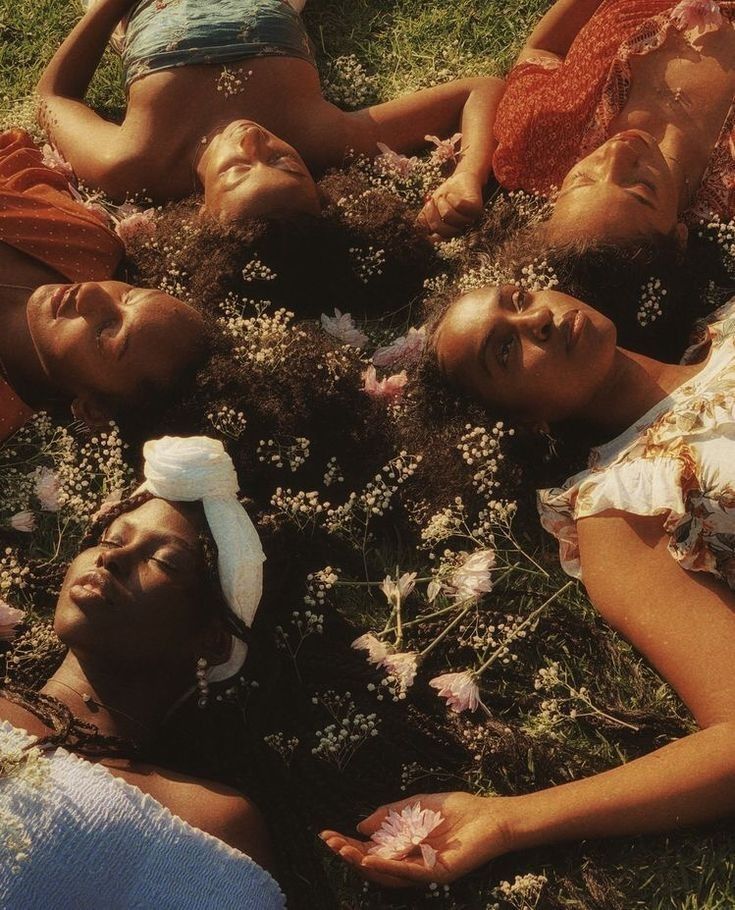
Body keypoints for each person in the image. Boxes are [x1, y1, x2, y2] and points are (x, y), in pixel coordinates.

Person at [320, 283, 735, 885]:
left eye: (520, 298)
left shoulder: (721, 320)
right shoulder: (623, 508)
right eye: (505, 352)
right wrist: (507, 821)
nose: (538, 319)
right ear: (521, 421)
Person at [0, 435, 285, 909]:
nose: (110, 556)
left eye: (165, 560)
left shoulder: (208, 826)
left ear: (212, 642)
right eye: (110, 537)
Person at [36, 0, 504, 232]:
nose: (255, 143)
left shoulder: (135, 163)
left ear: (204, 207)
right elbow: (479, 90)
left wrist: (111, 6)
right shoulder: (322, 137)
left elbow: (52, 98)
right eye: (284, 163)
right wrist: (468, 175)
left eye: (239, 169)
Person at [0, 127, 210, 443]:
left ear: (93, 411)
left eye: (105, 334)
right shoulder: (88, 246)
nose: (91, 292)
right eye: (128, 295)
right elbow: (14, 156)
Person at [490, 0, 735, 249]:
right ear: (677, 235)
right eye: (640, 188)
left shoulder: (543, 139)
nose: (617, 152)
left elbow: (541, 51)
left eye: (583, 178)